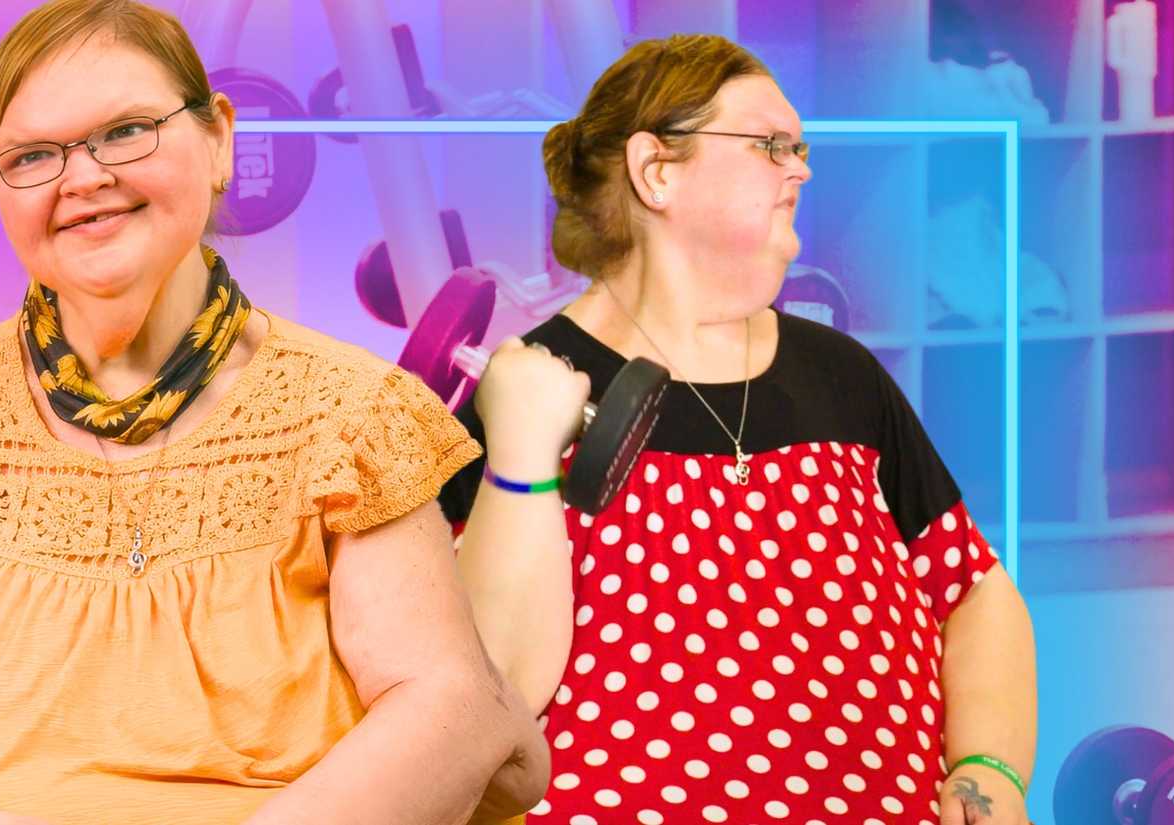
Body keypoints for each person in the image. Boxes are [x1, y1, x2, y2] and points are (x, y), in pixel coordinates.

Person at [0, 1, 549, 823]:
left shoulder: (353, 415)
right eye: (33, 155)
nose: (84, 178)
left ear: (218, 137)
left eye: (125, 131)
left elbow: (440, 705)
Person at [442, 34, 1037, 825]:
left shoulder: (842, 374)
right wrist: (520, 460)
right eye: (770, 145)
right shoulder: (525, 392)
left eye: (799, 146)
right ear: (657, 172)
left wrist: (985, 773)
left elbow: (973, 590)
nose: (802, 168)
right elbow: (494, 698)